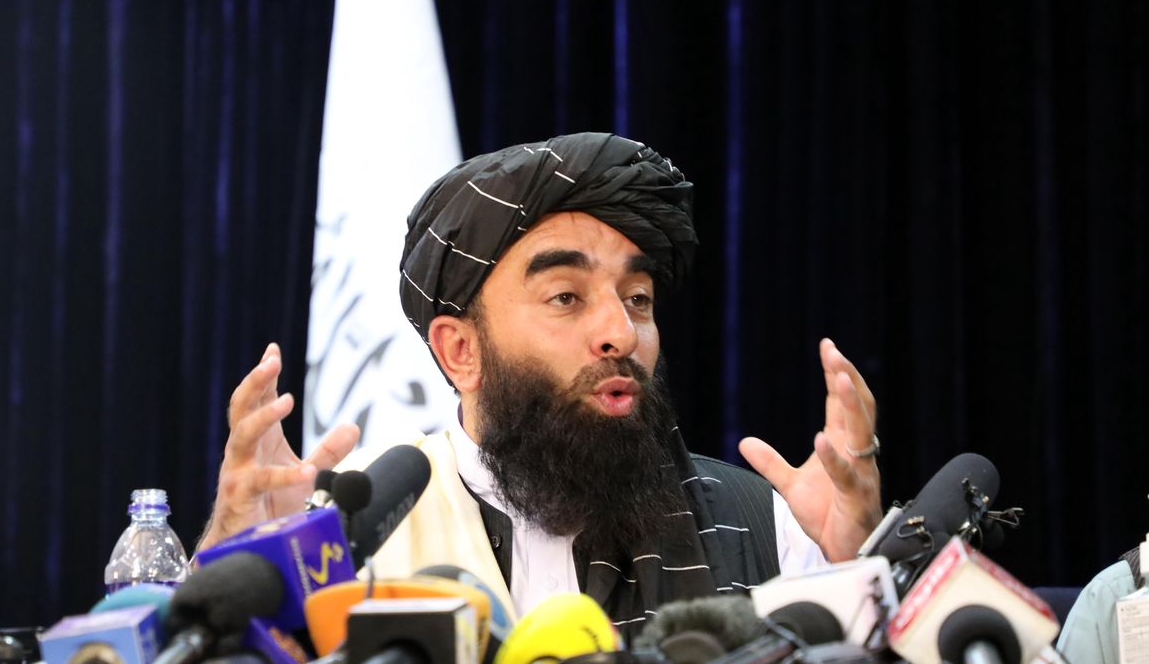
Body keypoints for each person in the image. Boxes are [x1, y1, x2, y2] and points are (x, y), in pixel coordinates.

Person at [196, 132, 883, 636]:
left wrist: (857, 566)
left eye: (638, 298)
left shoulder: (763, 524)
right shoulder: (350, 527)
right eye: (566, 297)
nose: (621, 333)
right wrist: (236, 561)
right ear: (461, 350)